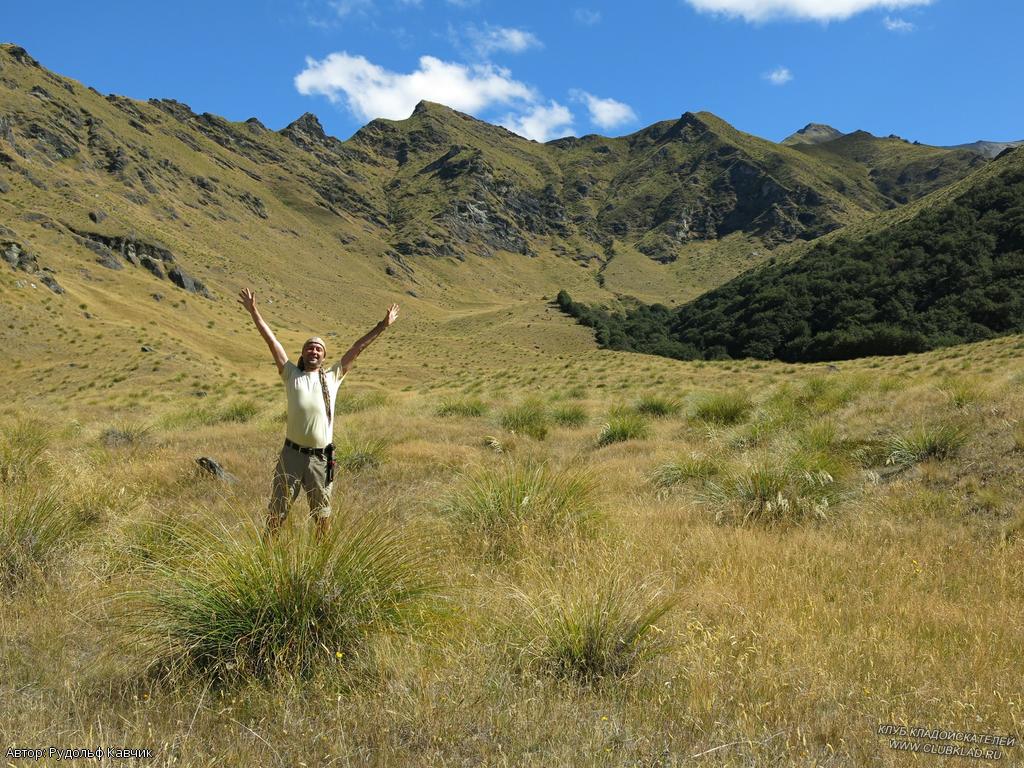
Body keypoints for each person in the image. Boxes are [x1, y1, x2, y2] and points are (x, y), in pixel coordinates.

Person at [238, 287, 399, 539]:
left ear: (324, 357)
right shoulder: (291, 374)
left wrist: (383, 325)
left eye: (318, 349)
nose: (313, 351)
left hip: (320, 460)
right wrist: (254, 312)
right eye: (309, 348)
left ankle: (322, 560)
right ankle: (266, 555)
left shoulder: (333, 377)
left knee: (322, 516)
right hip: (291, 455)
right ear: (302, 353)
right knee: (277, 512)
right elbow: (272, 342)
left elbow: (357, 348)